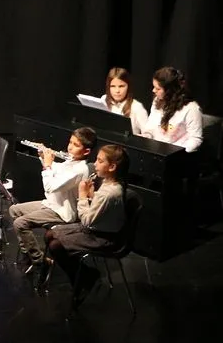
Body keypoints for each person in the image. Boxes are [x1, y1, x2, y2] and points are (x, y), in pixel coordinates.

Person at [42, 144, 130, 305]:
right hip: (96, 228)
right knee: (49, 235)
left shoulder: (109, 193)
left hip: (103, 237)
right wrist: (92, 195)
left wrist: (82, 197)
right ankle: (82, 275)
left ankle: (83, 278)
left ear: (112, 167)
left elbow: (87, 221)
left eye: (100, 161)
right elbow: (100, 209)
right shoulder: (110, 184)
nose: (95, 164)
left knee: (55, 245)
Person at [9, 127, 96, 273]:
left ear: (86, 151)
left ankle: (39, 261)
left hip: (63, 212)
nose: (70, 147)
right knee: (14, 210)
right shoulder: (71, 161)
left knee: (20, 223)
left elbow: (50, 187)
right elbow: (56, 169)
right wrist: (44, 156)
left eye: (75, 145)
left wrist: (48, 165)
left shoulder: (80, 170)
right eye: (70, 142)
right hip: (52, 204)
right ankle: (28, 254)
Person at [141, 66, 203, 152]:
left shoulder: (191, 108)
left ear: (169, 90)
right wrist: (145, 136)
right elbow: (150, 126)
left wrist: (177, 152)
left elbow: (195, 139)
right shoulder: (157, 101)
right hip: (156, 151)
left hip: (176, 155)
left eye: (158, 88)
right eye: (154, 87)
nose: (153, 90)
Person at [102, 67, 148, 135]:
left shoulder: (136, 107)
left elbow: (148, 135)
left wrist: (133, 137)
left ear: (128, 86)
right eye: (113, 86)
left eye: (121, 86)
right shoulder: (104, 100)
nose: (117, 91)